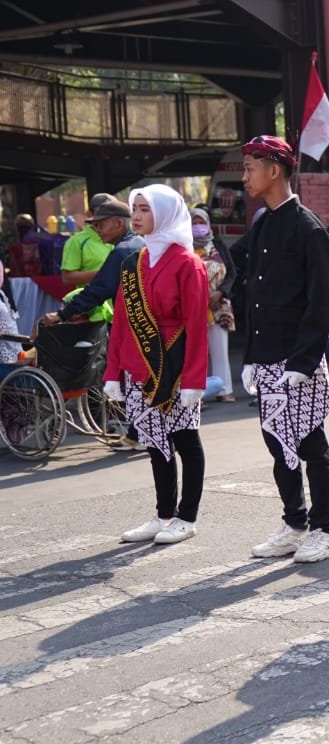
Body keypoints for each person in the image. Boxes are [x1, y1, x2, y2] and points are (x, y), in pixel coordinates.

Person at [236, 135, 329, 564]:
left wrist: (302, 361)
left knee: (310, 443)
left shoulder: (308, 228)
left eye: (250, 168)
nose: (245, 176)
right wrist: (248, 356)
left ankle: (325, 528)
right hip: (266, 358)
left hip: (298, 359)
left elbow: (320, 303)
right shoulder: (263, 222)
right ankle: (294, 523)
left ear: (274, 170)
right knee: (276, 443)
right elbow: (252, 294)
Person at [104, 185, 210, 546]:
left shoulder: (187, 263)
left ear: (164, 213)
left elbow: (197, 325)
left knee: (184, 441)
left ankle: (187, 516)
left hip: (175, 369)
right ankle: (163, 514)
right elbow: (121, 322)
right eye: (134, 208)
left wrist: (195, 379)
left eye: (145, 209)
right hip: (138, 368)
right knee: (153, 443)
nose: (135, 215)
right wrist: (112, 372)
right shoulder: (133, 263)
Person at [41, 199, 144, 328]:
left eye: (101, 225)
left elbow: (99, 289)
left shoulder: (122, 251)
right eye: (95, 226)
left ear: (119, 224)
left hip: (133, 323)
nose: (97, 230)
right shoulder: (139, 243)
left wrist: (62, 314)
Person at [191, 208, 238, 402]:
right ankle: (196, 392)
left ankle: (224, 389)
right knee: (196, 351)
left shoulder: (217, 244)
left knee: (220, 348)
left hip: (219, 305)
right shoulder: (183, 245)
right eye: (194, 223)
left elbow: (232, 273)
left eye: (201, 222)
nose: (197, 227)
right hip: (194, 305)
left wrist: (221, 292)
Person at [59, 193, 117, 291]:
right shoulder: (76, 242)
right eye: (103, 213)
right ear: (89, 214)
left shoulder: (122, 237)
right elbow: (67, 278)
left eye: (111, 213)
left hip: (122, 303)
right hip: (95, 304)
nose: (107, 217)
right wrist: (104, 274)